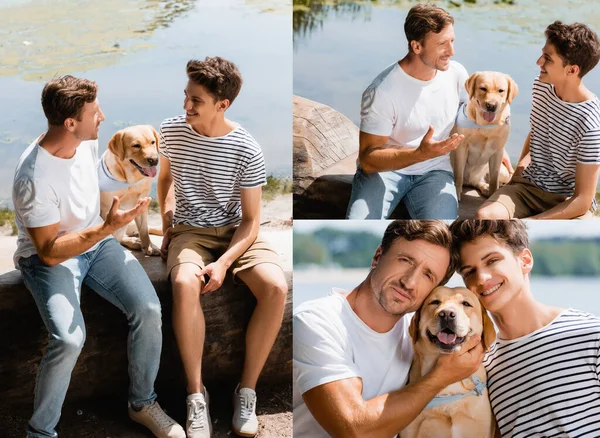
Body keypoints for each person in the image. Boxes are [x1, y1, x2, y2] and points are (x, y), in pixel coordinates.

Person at [12, 76, 184, 438]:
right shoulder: (33, 177)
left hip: (98, 245)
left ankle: (142, 403)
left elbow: (104, 181)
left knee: (149, 309)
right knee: (69, 339)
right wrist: (108, 229)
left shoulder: (87, 147)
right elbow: (49, 251)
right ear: (71, 123)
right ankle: (40, 432)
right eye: (95, 112)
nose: (103, 117)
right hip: (51, 260)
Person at [157, 57, 288, 438]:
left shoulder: (246, 148)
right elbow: (163, 180)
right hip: (190, 231)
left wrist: (225, 264)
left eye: (195, 100)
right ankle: (196, 395)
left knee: (276, 288)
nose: (186, 106)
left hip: (236, 233)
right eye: (186, 96)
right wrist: (167, 223)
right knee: (183, 284)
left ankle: (246, 391)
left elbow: (251, 221)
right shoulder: (171, 131)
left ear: (222, 104)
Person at [293, 220, 485, 437]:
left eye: (428, 275)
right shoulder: (317, 321)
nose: (410, 282)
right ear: (377, 257)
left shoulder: (421, 335)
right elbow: (355, 430)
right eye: (405, 260)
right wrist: (440, 378)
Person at [451, 219, 600, 437]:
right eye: (469, 272)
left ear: (525, 260)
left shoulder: (590, 334)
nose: (481, 278)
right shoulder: (480, 365)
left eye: (492, 261)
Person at [346, 4, 467, 220]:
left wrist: (498, 149)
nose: (451, 51)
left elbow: (471, 115)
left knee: (445, 231)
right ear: (416, 46)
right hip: (384, 172)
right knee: (357, 222)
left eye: (452, 41)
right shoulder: (382, 92)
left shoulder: (456, 74)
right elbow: (368, 159)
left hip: (435, 171)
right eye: (442, 44)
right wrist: (420, 154)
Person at [477, 21, 600, 219]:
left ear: (572, 70)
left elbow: (582, 200)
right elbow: (537, 132)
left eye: (547, 59)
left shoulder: (591, 125)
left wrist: (531, 221)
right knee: (486, 216)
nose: (539, 62)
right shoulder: (542, 87)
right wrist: (517, 175)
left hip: (567, 202)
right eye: (543, 54)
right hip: (528, 188)